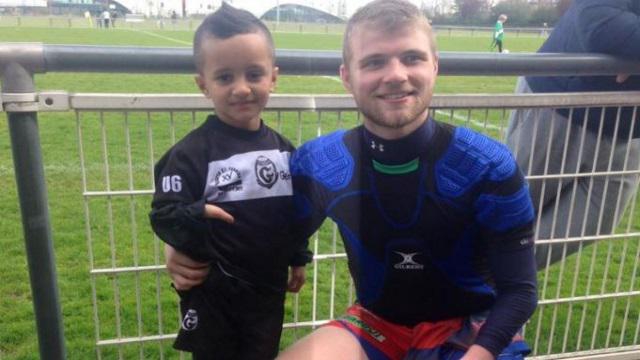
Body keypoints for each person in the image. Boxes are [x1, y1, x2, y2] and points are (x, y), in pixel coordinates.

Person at [278, 1, 537, 359]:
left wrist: (481, 353)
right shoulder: (320, 162)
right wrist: (184, 241)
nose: (396, 74)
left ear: (435, 66)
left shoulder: (487, 164)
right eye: (374, 62)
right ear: (346, 76)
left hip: (471, 330)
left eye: (412, 58)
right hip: (376, 325)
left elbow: (520, 290)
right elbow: (268, 230)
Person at [149, 4, 311, 359]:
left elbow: (295, 212)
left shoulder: (285, 151)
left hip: (267, 293)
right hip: (213, 296)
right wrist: (194, 216)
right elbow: (163, 214)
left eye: (254, 74)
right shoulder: (191, 154)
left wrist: (298, 255)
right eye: (225, 78)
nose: (241, 89)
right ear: (203, 84)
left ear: (273, 77)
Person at [505, 0, 640, 270]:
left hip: (629, 127)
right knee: (508, 218)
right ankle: (454, 296)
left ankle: (481, 292)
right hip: (560, 105)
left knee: (594, 222)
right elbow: (598, 20)